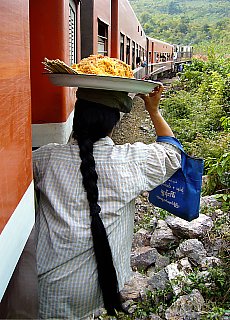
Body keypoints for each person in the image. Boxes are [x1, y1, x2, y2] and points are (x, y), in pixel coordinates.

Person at [33, 85, 181, 319]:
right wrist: (154, 111)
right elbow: (173, 152)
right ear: (113, 124)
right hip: (97, 287)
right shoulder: (133, 161)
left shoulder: (46, 157)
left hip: (44, 286)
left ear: (77, 116)